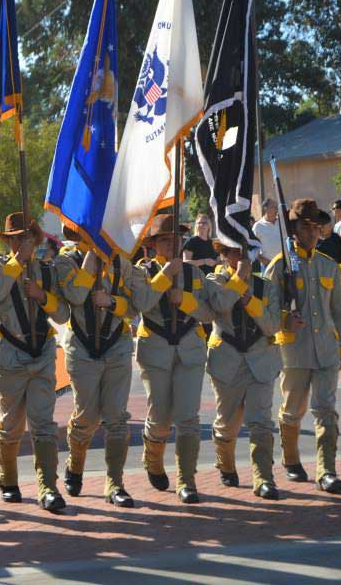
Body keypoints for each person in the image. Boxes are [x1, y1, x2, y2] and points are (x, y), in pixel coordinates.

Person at [53, 226, 162, 509]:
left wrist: (111, 302)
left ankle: (115, 483)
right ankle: (75, 464)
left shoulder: (121, 262)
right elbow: (76, 296)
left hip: (116, 345)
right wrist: (91, 256)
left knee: (116, 418)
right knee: (87, 417)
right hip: (83, 346)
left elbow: (136, 307)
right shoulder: (65, 261)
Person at [0, 212, 71, 512]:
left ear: (35, 239)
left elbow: (62, 314)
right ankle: (8, 480)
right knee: (10, 426)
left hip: (42, 352)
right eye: (16, 238)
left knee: (44, 424)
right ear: (8, 241)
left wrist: (42, 295)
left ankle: (48, 487)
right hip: (10, 354)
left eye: (27, 237)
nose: (23, 243)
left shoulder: (46, 271)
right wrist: (16, 262)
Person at [264, 199, 341, 494]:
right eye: (305, 226)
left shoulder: (328, 265)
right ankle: (291, 460)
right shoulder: (279, 267)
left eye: (316, 227)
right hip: (294, 351)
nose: (312, 232)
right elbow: (268, 313)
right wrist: (285, 320)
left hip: (326, 348)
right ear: (293, 229)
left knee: (326, 410)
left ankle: (327, 471)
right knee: (292, 411)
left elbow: (339, 311)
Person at [134, 214, 217, 504]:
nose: (173, 244)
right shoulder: (142, 271)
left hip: (189, 349)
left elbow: (209, 314)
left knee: (188, 418)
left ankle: (187, 480)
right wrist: (165, 276)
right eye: (166, 240)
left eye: (176, 239)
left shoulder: (194, 275)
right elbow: (141, 304)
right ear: (154, 244)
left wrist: (187, 301)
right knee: (160, 420)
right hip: (155, 350)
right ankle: (153, 459)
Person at [206, 239, 282, 500]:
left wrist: (251, 300)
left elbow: (273, 325)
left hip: (260, 359)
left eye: (245, 252)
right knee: (227, 425)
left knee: (261, 422)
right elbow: (219, 306)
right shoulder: (214, 281)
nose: (240, 257)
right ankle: (225, 462)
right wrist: (239, 280)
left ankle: (263, 477)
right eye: (233, 252)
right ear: (224, 256)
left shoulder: (265, 286)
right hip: (227, 361)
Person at [252, 199, 282, 270]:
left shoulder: (282, 223)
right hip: (267, 266)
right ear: (265, 208)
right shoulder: (258, 226)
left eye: (276, 207)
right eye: (273, 207)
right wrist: (263, 260)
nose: (276, 210)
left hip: (284, 265)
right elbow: (252, 247)